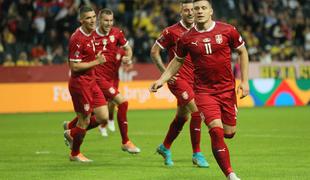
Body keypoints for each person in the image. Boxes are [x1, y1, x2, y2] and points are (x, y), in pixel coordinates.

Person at [150, 0, 249, 179]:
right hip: (203, 91)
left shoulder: (227, 30)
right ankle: (230, 174)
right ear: (191, 12)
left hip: (227, 90)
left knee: (229, 133)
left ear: (211, 11)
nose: (199, 11)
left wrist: (245, 81)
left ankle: (166, 146)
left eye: (203, 8)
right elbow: (176, 61)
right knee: (215, 130)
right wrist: (162, 79)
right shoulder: (185, 38)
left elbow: (243, 52)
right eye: (196, 9)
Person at [150, 0, 208, 167]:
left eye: (193, 9)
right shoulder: (171, 32)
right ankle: (197, 154)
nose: (191, 13)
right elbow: (154, 52)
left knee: (183, 116)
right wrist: (165, 74)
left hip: (195, 80)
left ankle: (165, 147)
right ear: (181, 12)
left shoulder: (200, 31)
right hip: (178, 79)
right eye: (187, 10)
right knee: (197, 113)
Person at [64, 6, 108, 163]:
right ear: (81, 20)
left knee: (103, 117)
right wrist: (97, 61)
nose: (92, 20)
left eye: (94, 16)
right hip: (80, 84)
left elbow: (85, 58)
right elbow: (74, 66)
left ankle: (71, 131)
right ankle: (75, 153)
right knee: (85, 120)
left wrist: (95, 57)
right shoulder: (77, 38)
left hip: (92, 82)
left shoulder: (92, 34)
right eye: (88, 18)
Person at [93, 8, 140, 153]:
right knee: (122, 103)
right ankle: (125, 141)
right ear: (99, 20)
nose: (108, 23)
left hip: (112, 78)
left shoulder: (117, 33)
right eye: (105, 20)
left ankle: (71, 129)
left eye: (111, 20)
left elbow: (128, 48)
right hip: (97, 78)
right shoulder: (92, 36)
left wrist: (128, 57)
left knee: (99, 116)